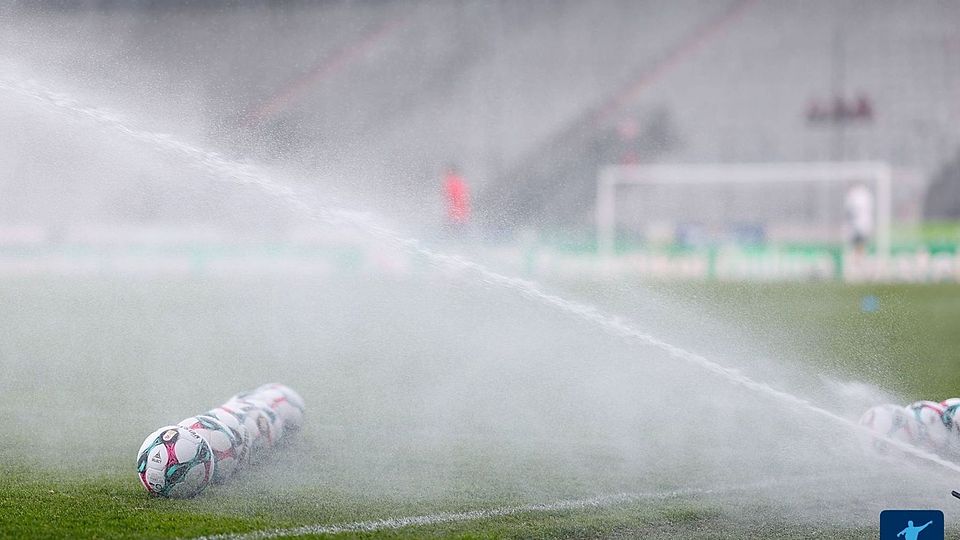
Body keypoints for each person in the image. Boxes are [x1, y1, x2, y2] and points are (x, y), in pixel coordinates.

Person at [844, 182, 874, 256]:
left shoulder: (857, 196)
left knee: (859, 243)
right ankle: (857, 258)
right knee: (856, 244)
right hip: (858, 226)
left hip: (860, 226)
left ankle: (858, 259)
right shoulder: (862, 195)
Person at [442, 165, 471, 234]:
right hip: (463, 214)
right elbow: (465, 197)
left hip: (453, 215)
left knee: (452, 235)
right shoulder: (462, 182)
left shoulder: (449, 182)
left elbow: (448, 197)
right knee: (461, 234)